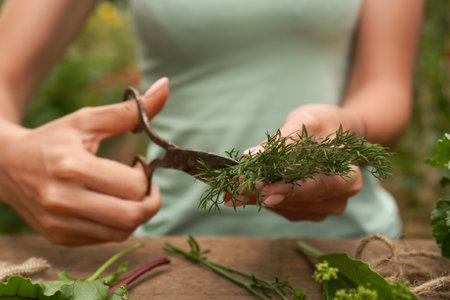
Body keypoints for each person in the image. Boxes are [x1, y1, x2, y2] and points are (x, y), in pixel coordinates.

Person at [0, 0, 423, 246]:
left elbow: (386, 85)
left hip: (353, 248)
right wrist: (10, 156)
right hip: (167, 251)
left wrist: (349, 127)